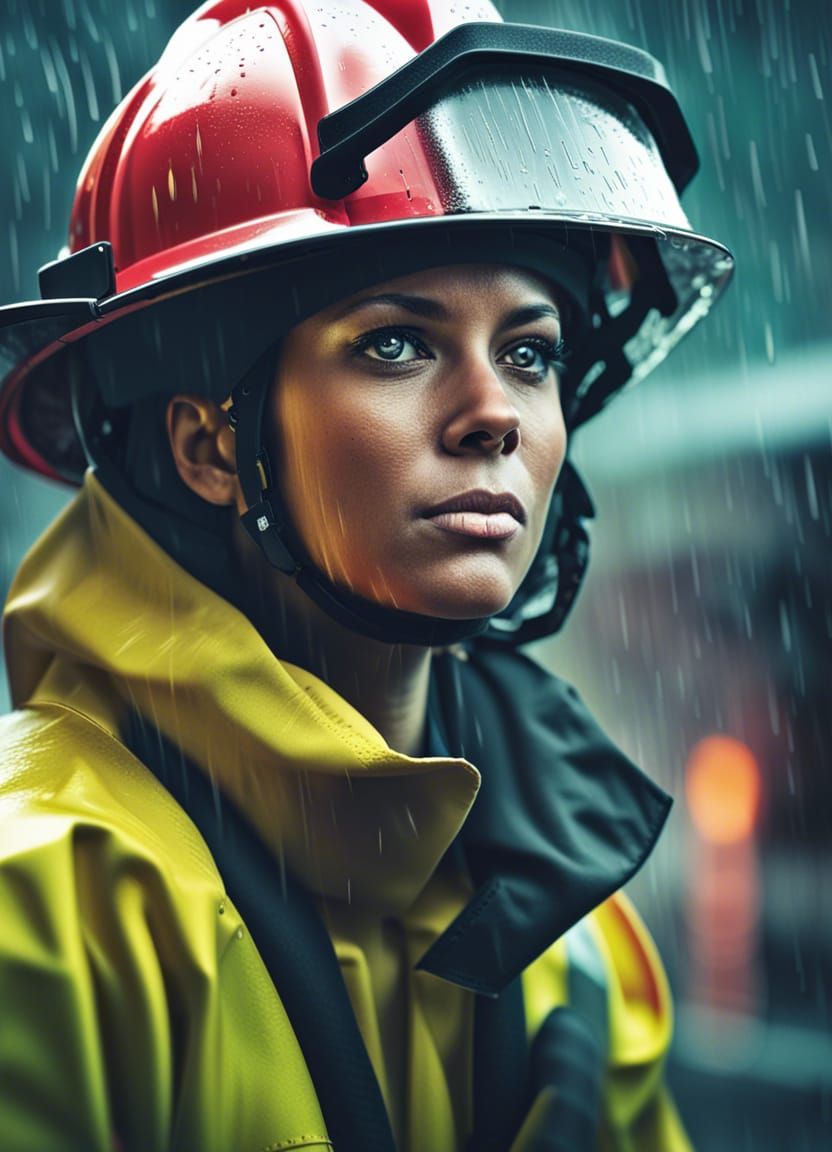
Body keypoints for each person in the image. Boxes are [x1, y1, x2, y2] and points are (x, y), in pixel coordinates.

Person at [0, 2, 734, 1150]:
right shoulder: (40, 905)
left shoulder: (582, 947)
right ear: (204, 446)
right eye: (397, 341)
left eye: (530, 351)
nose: (496, 414)